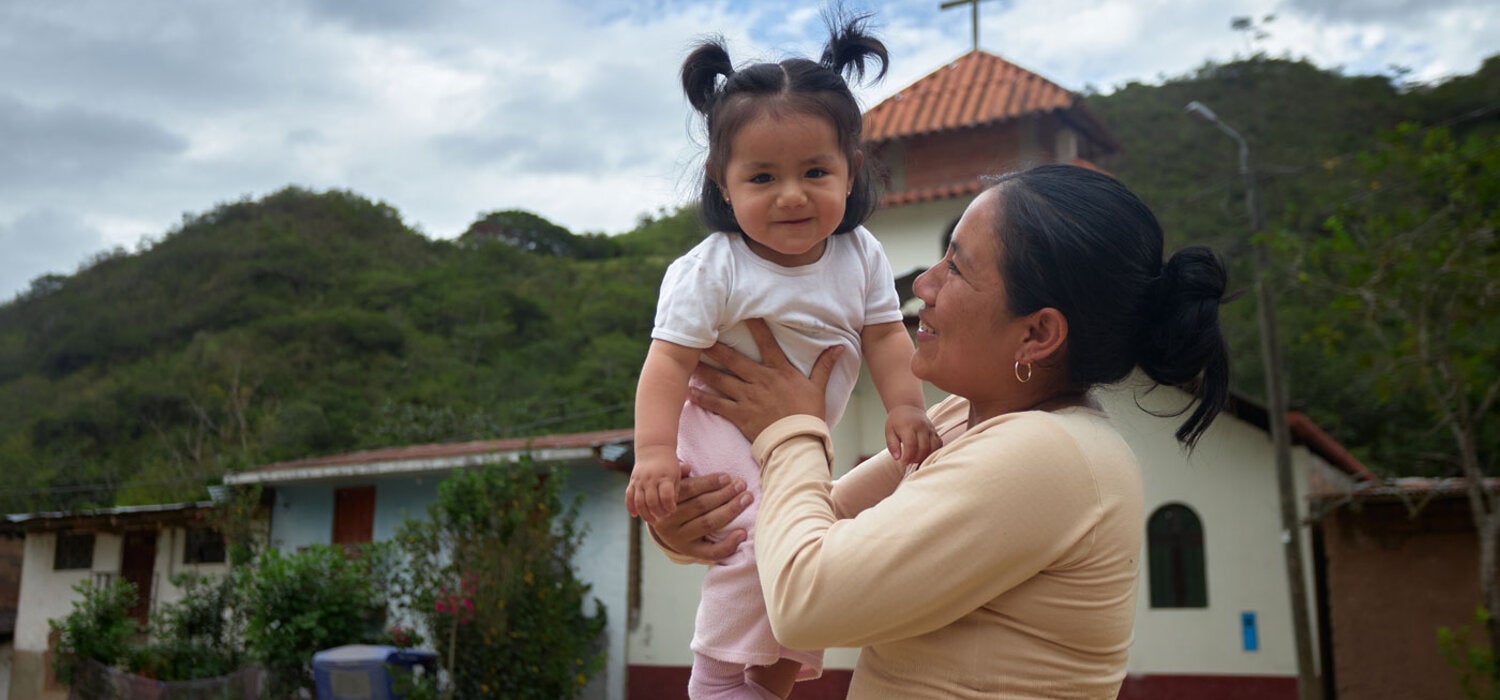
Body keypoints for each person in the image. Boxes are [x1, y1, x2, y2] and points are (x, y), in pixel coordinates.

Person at [654, 163, 1233, 698]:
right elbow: (810, 522)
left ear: (1037, 334)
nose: (924, 285)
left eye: (956, 266)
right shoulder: (966, 416)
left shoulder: (1051, 452)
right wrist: (690, 529)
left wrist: (791, 429)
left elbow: (807, 598)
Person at [624, 16, 942, 700]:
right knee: (765, 540)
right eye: (763, 176)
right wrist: (652, 453)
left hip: (793, 441)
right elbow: (668, 366)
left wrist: (908, 408)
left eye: (814, 171)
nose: (792, 194)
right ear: (722, 180)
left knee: (807, 542)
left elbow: (887, 337)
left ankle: (769, 680)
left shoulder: (861, 255)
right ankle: (715, 678)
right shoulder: (713, 269)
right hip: (718, 428)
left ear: (850, 171)